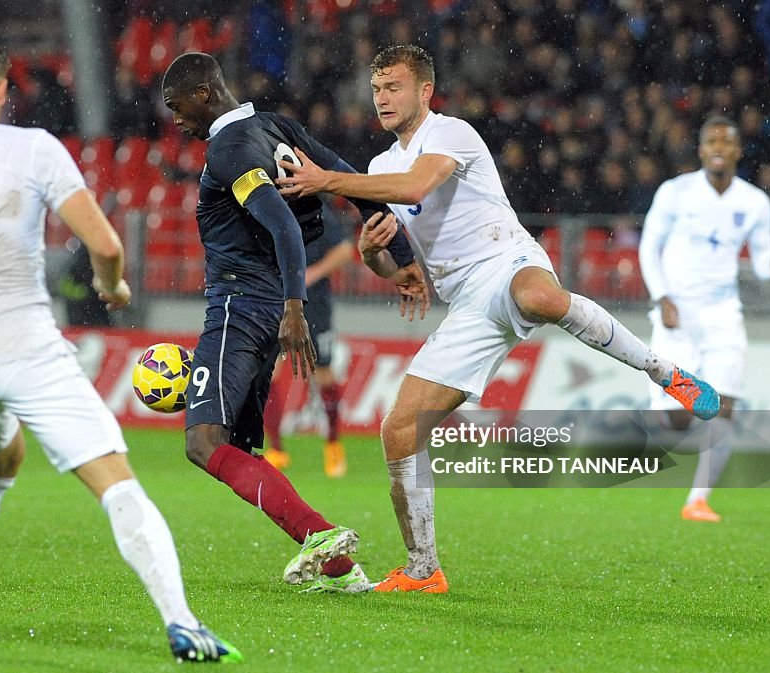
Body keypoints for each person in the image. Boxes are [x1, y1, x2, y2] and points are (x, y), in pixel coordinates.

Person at [0, 33, 240, 663]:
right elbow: (106, 246)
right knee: (116, 481)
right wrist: (112, 285)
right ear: (3, 90)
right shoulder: (31, 147)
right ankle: (185, 625)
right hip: (24, 344)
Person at [276, 44, 721, 593]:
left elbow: (415, 188)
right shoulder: (379, 167)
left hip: (507, 258)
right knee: (398, 431)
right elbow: (392, 253)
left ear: (424, 91)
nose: (382, 98)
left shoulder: (452, 134)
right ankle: (423, 570)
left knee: (539, 298)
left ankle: (663, 372)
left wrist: (325, 181)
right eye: (376, 89)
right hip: (466, 304)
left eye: (393, 87)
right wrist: (378, 257)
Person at [161, 52, 426, 594]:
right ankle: (338, 569)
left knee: (203, 444)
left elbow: (281, 224)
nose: (176, 118)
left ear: (205, 93)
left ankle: (320, 535)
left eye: (177, 105)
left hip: (241, 307)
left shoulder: (230, 149)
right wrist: (400, 255)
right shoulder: (274, 127)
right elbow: (350, 182)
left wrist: (294, 306)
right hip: (261, 313)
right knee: (236, 449)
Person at [639, 116, 770, 523]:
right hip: (676, 313)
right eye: (711, 140)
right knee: (675, 420)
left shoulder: (755, 202)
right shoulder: (675, 193)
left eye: (727, 140)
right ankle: (669, 414)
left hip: (724, 313)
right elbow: (648, 247)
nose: (718, 146)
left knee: (724, 407)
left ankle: (698, 500)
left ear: (739, 151)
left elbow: (759, 259)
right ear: (701, 149)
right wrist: (662, 296)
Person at [264, 203, 354, 478]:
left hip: (313, 305)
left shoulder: (316, 210)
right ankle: (277, 450)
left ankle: (333, 444)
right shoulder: (263, 205)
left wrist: (312, 273)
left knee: (323, 375)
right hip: (274, 302)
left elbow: (345, 250)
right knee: (266, 375)